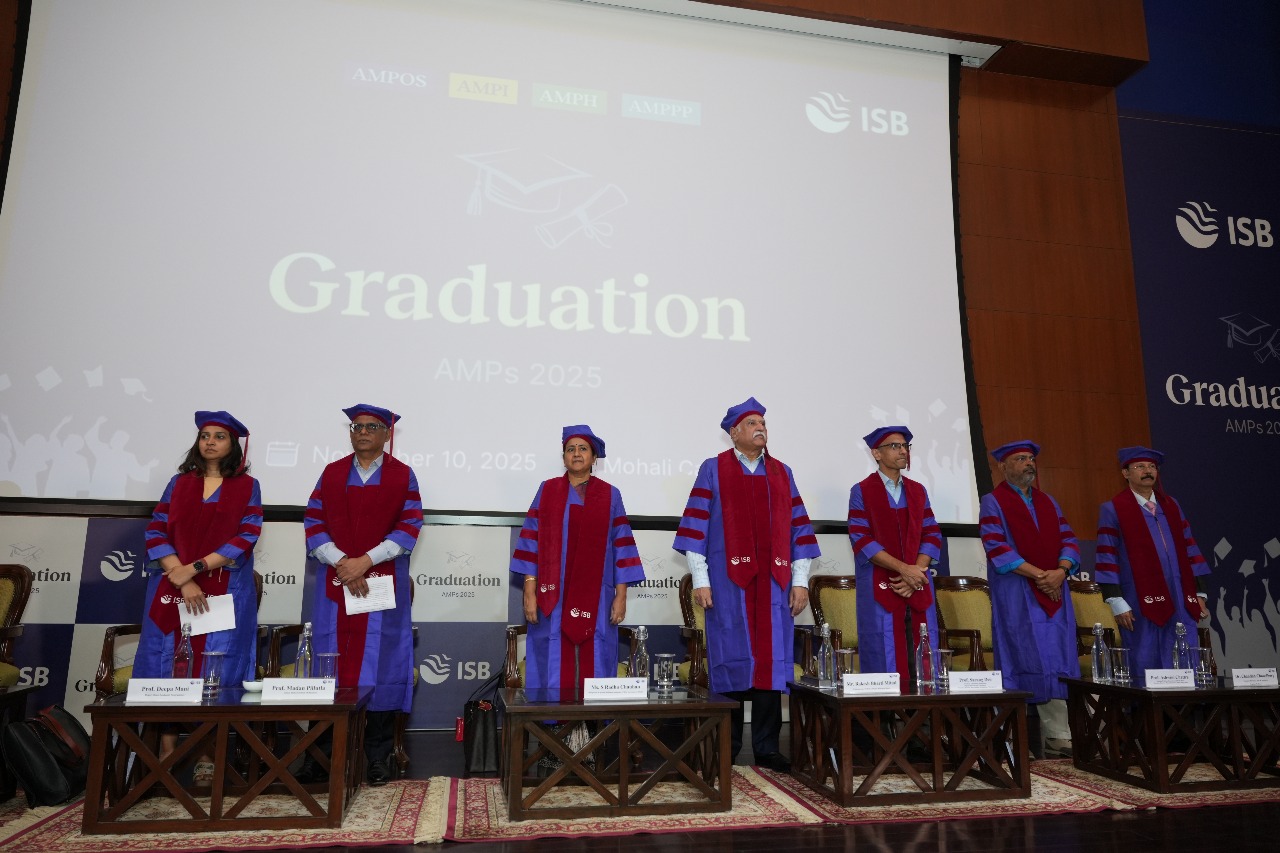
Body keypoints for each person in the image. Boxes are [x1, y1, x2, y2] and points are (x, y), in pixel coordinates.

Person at [673, 398, 820, 772]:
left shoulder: (782, 473)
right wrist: (702, 582)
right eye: (751, 422)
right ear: (733, 432)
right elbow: (695, 531)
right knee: (732, 661)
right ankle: (729, 746)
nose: (760, 427)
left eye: (763, 422)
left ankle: (767, 749)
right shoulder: (713, 469)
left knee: (771, 667)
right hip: (728, 585)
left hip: (774, 585)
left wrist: (800, 582)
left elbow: (799, 532)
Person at [301, 404, 423, 786]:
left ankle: (377, 755)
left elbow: (409, 526)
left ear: (387, 434)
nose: (363, 432)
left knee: (382, 667)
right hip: (336, 585)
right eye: (357, 426)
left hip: (381, 583)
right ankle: (321, 756)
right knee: (329, 663)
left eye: (372, 427)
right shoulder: (332, 473)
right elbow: (313, 522)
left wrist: (365, 561)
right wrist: (344, 563)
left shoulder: (403, 476)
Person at [138, 411, 262, 783]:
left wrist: (192, 570)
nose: (210, 441)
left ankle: (210, 752)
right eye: (205, 435)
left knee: (216, 666)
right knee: (167, 666)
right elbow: (156, 529)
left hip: (222, 587)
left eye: (219, 436)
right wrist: (179, 576)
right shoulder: (178, 483)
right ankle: (166, 752)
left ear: (233, 445)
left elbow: (246, 535)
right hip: (172, 587)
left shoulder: (247, 486)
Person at [510, 425, 645, 699]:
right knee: (551, 650)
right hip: (553, 595)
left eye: (583, 448)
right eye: (570, 449)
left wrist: (621, 596)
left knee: (596, 650)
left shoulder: (610, 495)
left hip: (597, 596)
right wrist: (529, 590)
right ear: (563, 458)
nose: (576, 453)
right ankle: (550, 727)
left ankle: (593, 727)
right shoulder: (547, 491)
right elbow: (531, 541)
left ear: (594, 458)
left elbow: (622, 546)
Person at [979, 440, 1080, 758]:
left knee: (1057, 657)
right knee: (1023, 655)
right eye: (1020, 459)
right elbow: (997, 547)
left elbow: (1069, 540)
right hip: (1017, 592)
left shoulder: (1049, 502)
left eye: (1032, 458)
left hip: (1055, 590)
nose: (1028, 464)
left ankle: (1058, 734)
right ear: (1003, 466)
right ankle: (1015, 736)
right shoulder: (993, 502)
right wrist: (1041, 575)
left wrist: (1061, 572)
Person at [1095, 446, 1209, 682]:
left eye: (1152, 467)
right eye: (1139, 467)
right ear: (1125, 473)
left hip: (1180, 592)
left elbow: (1190, 548)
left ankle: (1182, 709)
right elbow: (1107, 555)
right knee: (1145, 651)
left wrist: (1198, 591)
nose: (1147, 471)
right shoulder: (1114, 509)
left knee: (1183, 645)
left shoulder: (1171, 506)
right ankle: (1146, 712)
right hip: (1138, 596)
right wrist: (1116, 600)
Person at [848, 425, 942, 688]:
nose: (903, 451)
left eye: (905, 446)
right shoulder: (862, 491)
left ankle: (922, 718)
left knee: (922, 650)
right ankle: (887, 721)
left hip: (918, 581)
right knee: (884, 653)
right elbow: (862, 539)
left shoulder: (918, 491)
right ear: (876, 453)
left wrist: (917, 571)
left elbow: (932, 534)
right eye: (895, 446)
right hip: (880, 582)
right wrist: (906, 570)